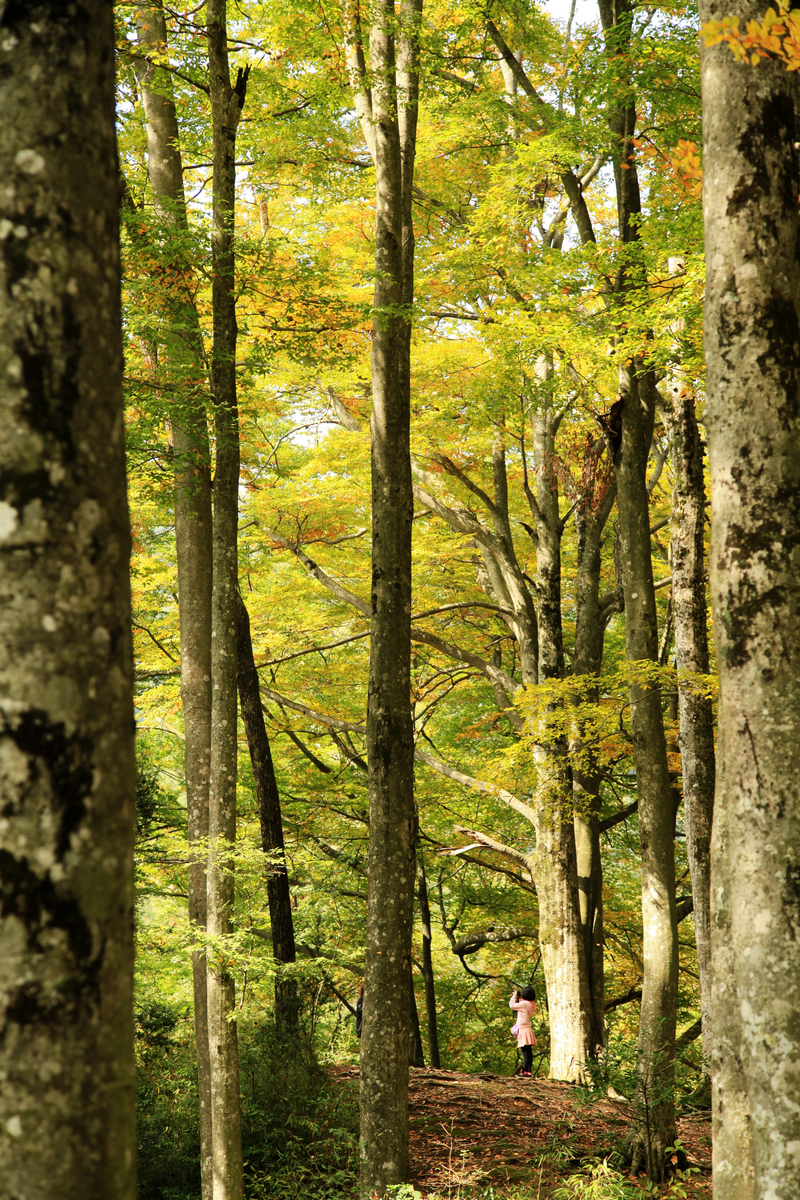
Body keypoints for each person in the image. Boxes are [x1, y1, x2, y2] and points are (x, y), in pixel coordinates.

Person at [509, 985, 537, 1076]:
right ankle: (528, 1070)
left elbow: (512, 1006)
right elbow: (523, 1004)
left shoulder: (524, 1004)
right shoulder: (531, 1004)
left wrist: (514, 996)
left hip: (523, 1029)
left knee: (525, 1052)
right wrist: (520, 997)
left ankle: (525, 1070)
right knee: (528, 1051)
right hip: (527, 1029)